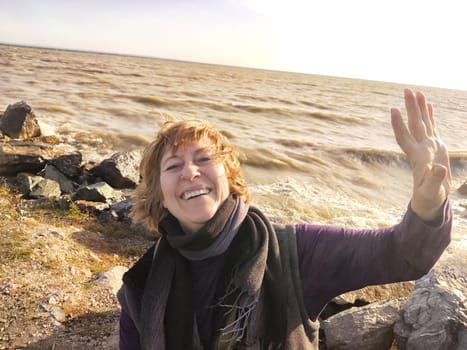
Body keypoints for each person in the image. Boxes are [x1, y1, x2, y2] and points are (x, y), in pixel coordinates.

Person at [117, 88, 452, 349]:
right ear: (158, 195)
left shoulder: (295, 252)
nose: (190, 172)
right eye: (173, 166)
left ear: (230, 176)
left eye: (203, 158)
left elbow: (402, 255)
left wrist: (428, 206)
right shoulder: (141, 286)